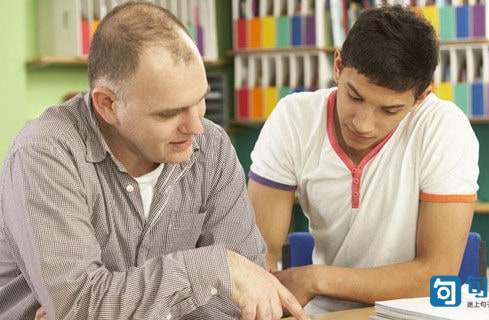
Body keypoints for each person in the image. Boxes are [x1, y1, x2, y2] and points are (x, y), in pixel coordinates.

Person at [0, 2, 308, 320]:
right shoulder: (44, 155)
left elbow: (248, 299)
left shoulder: (211, 147)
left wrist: (108, 307)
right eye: (169, 113)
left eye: (200, 100)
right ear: (107, 104)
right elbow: (79, 306)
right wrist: (212, 269)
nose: (196, 127)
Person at [248, 5, 479, 314]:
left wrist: (316, 278)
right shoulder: (293, 119)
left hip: (415, 312)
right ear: (338, 66)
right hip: (326, 313)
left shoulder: (444, 127)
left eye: (390, 110)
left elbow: (436, 274)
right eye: (354, 97)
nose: (363, 123)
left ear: (421, 96)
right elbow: (256, 256)